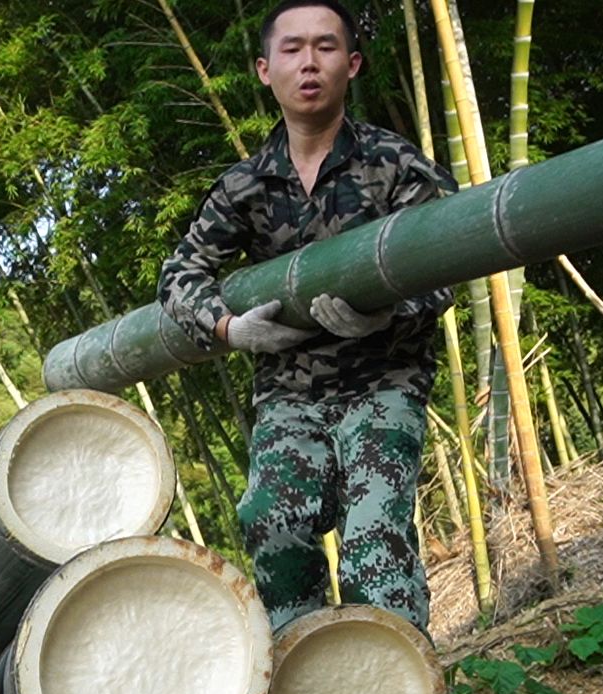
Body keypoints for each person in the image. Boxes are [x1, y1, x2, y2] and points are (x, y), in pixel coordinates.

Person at [157, 0, 455, 635]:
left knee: (375, 536)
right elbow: (181, 275)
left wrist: (385, 314)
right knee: (269, 520)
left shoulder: (396, 164)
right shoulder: (245, 184)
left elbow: (447, 263)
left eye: (325, 47)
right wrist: (228, 328)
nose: (308, 62)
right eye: (292, 49)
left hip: (385, 378)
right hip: (290, 388)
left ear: (352, 65)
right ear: (265, 70)